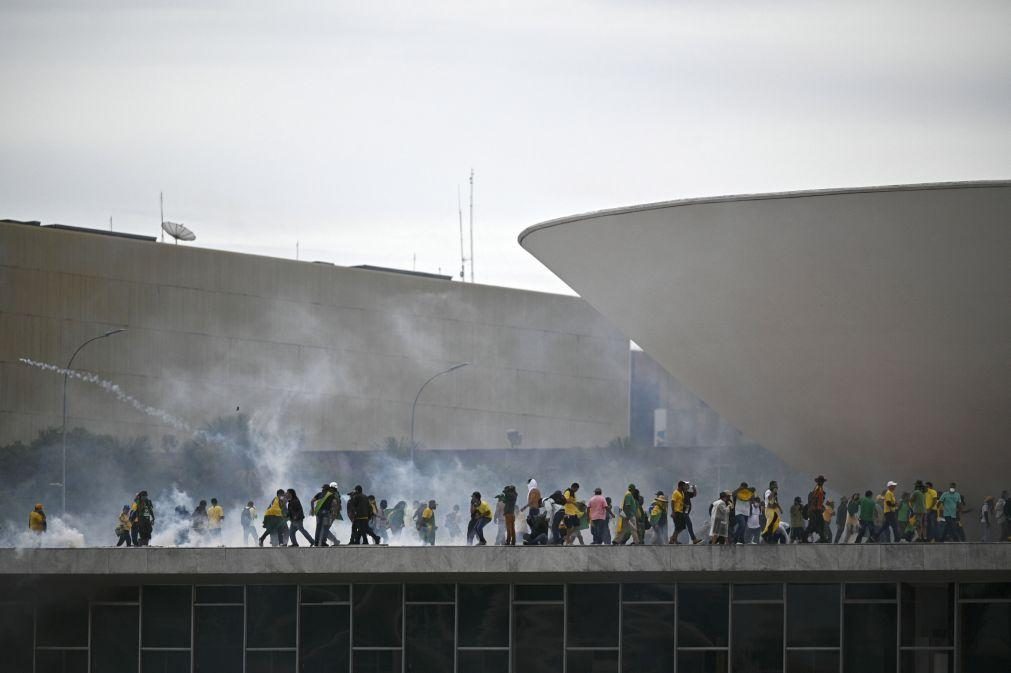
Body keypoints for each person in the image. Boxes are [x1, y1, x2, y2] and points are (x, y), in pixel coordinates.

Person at [311, 483, 340, 547]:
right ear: (328, 489)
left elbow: (312, 501)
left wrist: (313, 510)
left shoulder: (319, 494)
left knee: (318, 528)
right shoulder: (331, 495)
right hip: (326, 513)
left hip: (318, 513)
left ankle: (316, 542)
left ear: (323, 489)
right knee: (325, 528)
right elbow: (335, 503)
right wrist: (334, 512)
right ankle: (323, 542)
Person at [804, 476, 829, 543]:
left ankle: (822, 538)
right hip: (815, 510)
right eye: (821, 481)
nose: (822, 482)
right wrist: (817, 507)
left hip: (816, 510)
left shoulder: (819, 488)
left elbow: (819, 500)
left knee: (818, 524)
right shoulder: (818, 489)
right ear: (819, 482)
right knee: (816, 524)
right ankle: (821, 538)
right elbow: (815, 499)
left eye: (822, 481)